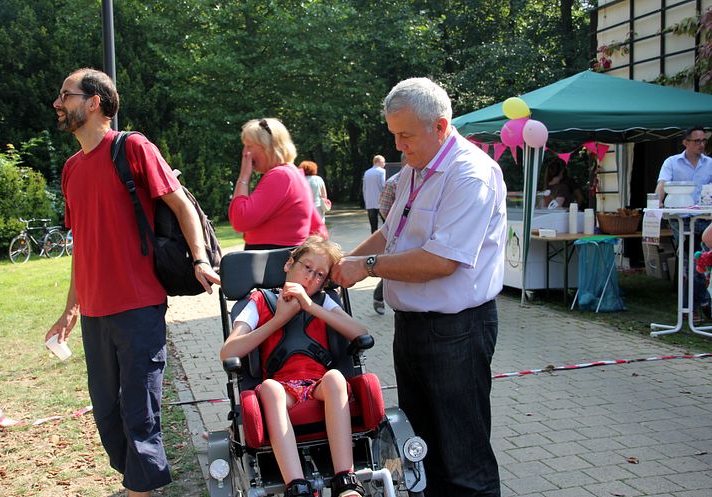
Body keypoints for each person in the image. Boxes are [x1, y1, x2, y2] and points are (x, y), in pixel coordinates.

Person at [45, 68, 220, 497]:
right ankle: (138, 482)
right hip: (96, 312)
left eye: (65, 95)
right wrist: (71, 308)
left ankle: (141, 490)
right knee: (107, 413)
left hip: (139, 305)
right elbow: (82, 245)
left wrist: (199, 257)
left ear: (94, 102)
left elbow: (182, 207)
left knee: (139, 413)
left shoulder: (133, 147)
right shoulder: (71, 169)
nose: (57, 103)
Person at [331, 77, 506, 497]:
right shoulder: (416, 169)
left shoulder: (471, 174)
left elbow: (440, 261)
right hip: (413, 326)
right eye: (393, 135)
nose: (398, 146)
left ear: (440, 126)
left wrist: (366, 267)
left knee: (462, 456)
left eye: (405, 135)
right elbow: (391, 233)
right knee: (419, 448)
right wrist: (340, 264)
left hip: (457, 331)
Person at [220, 236, 368, 497]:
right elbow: (229, 351)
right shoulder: (260, 301)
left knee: (335, 377)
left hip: (318, 385)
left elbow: (360, 333)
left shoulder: (323, 301)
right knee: (270, 389)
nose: (311, 277)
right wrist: (279, 320)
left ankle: (345, 479)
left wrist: (310, 306)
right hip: (281, 388)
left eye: (320, 275)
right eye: (307, 267)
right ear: (289, 264)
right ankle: (296, 485)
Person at [229, 118, 327, 250]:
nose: (245, 153)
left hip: (268, 263)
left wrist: (243, 177)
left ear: (267, 147)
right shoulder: (294, 174)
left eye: (249, 146)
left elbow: (240, 220)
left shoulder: (280, 176)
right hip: (283, 259)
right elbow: (318, 229)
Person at [655, 126, 712, 321]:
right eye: (697, 141)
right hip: (682, 220)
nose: (701, 145)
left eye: (703, 141)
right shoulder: (672, 162)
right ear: (685, 142)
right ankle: (702, 304)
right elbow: (662, 184)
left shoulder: (710, 163)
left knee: (704, 262)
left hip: (705, 219)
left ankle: (694, 305)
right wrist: (657, 202)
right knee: (691, 263)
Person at [371, 155, 405, 315]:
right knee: (395, 267)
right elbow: (384, 209)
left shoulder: (427, 180)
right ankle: (379, 296)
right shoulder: (393, 182)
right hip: (396, 234)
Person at [362, 155, 386, 233]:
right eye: (383, 162)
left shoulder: (367, 173)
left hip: (370, 203)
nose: (384, 164)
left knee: (373, 226)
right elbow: (384, 185)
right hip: (381, 202)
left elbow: (364, 188)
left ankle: (374, 243)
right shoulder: (382, 172)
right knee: (386, 224)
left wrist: (366, 201)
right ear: (378, 162)